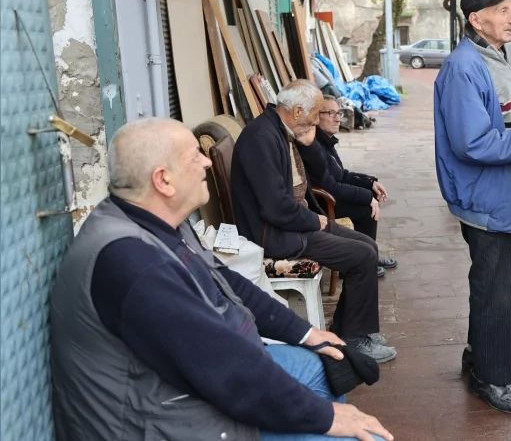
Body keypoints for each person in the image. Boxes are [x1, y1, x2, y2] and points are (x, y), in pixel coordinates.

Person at [50, 117, 393, 441]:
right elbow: (227, 369)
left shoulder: (157, 220)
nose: (208, 163)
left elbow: (225, 282)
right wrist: (327, 418)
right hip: (160, 418)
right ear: (163, 180)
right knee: (363, 434)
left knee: (325, 366)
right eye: (194, 157)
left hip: (201, 376)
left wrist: (304, 332)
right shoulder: (132, 263)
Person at [433, 0, 511, 416]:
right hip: (488, 194)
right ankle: (491, 377)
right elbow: (473, 143)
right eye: (503, 10)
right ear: (476, 19)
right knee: (495, 287)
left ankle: (483, 352)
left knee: (497, 281)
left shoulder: (490, 56)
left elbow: (501, 121)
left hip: (506, 186)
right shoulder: (464, 66)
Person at [231, 80, 397, 363]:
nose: (316, 120)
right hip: (277, 234)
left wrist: (308, 145)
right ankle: (355, 340)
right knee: (360, 256)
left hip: (294, 223)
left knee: (367, 245)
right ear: (297, 111)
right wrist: (313, 220)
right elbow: (275, 207)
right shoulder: (261, 138)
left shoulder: (284, 130)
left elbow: (325, 173)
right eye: (314, 114)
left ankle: (349, 329)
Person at [297, 96, 396, 261]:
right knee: (366, 208)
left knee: (369, 196)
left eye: (338, 113)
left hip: (331, 197)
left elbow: (341, 174)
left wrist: (370, 183)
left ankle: (369, 254)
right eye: (331, 113)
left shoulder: (326, 141)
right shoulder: (313, 146)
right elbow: (330, 186)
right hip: (323, 205)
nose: (337, 118)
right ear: (316, 116)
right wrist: (366, 197)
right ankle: (364, 259)